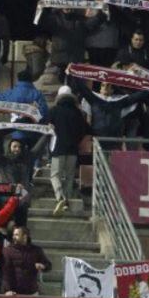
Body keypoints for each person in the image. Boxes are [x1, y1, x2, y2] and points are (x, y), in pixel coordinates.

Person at [48, 86, 88, 216]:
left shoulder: (54, 110)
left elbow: (44, 124)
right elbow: (85, 129)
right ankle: (67, 202)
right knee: (70, 176)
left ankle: (60, 198)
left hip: (58, 148)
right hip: (73, 150)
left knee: (55, 175)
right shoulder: (77, 112)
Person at [0, 226, 51, 296]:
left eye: (17, 235)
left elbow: (48, 265)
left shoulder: (36, 250)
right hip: (14, 293)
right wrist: (7, 290)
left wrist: (43, 266)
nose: (14, 237)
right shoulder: (8, 251)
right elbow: (6, 272)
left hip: (32, 292)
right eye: (13, 235)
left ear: (24, 236)